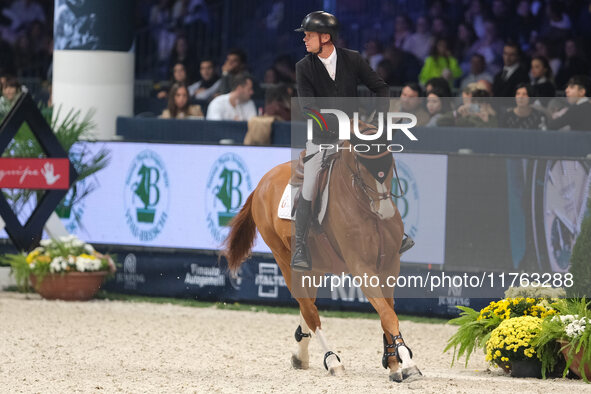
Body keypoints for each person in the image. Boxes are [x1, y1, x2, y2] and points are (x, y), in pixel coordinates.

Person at [292, 11, 411, 271]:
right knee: (310, 183)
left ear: (326, 37)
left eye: (309, 35)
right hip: (322, 139)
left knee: (380, 167)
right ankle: (300, 246)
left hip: (355, 137)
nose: (305, 40)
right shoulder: (304, 67)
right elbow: (309, 110)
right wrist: (345, 125)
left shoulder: (353, 59)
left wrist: (378, 124)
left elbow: (381, 88)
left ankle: (396, 234)